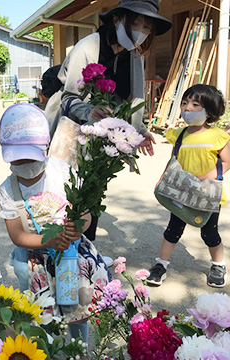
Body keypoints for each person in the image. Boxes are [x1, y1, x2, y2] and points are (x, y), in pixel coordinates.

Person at [44, 0, 172, 249]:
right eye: (135, 23)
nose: (141, 32)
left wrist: (138, 131)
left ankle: (85, 251)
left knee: (93, 191)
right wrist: (90, 111)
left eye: (147, 27)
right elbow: (68, 97)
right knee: (64, 191)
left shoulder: (134, 55)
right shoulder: (89, 46)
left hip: (104, 136)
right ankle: (56, 249)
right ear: (117, 19)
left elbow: (135, 99)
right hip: (72, 128)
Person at [0, 103, 110, 342]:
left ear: (45, 148)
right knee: (40, 313)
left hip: (71, 256)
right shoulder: (8, 189)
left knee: (78, 306)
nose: (25, 165)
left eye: (30, 157)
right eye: (19, 161)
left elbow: (86, 212)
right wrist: (49, 240)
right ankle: (49, 347)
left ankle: (80, 348)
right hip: (32, 261)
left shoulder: (62, 171)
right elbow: (17, 235)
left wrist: (79, 226)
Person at [146, 84, 230, 288]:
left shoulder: (217, 136)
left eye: (195, 104)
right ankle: (161, 265)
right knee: (173, 228)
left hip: (207, 194)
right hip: (181, 192)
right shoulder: (180, 135)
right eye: (184, 103)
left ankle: (218, 265)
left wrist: (203, 177)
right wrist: (163, 178)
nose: (187, 109)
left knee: (209, 232)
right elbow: (173, 160)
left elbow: (226, 162)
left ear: (209, 111)